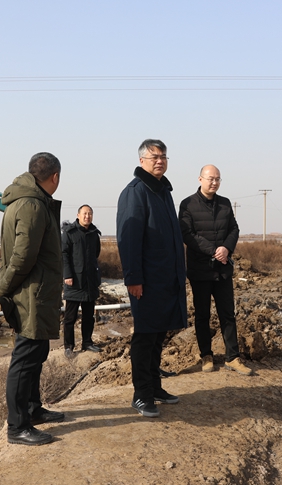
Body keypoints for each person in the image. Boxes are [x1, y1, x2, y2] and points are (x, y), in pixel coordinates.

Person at [0, 152, 66, 446]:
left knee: (37, 353)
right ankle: (18, 426)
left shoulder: (26, 201)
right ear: (55, 177)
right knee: (25, 359)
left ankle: (33, 410)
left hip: (36, 291)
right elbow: (23, 256)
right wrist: (4, 287)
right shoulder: (33, 205)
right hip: (31, 294)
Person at [116, 139, 187, 418]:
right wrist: (133, 278)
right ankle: (141, 395)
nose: (160, 161)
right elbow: (128, 239)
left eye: (163, 156)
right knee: (145, 337)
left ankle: (155, 387)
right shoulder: (135, 192)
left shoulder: (163, 191)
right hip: (146, 280)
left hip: (166, 277)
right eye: (154, 156)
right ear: (142, 161)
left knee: (159, 334)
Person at [178, 165, 252, 376]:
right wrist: (213, 250)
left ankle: (233, 357)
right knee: (202, 314)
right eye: (210, 178)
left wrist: (226, 248)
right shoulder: (187, 204)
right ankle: (206, 356)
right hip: (200, 269)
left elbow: (234, 229)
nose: (214, 182)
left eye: (218, 179)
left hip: (222, 269)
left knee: (227, 313)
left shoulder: (225, 203)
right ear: (200, 179)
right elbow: (187, 234)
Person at [61, 204, 102, 357]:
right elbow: (63, 255)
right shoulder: (69, 232)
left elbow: (96, 254)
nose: (87, 216)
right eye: (84, 213)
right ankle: (69, 346)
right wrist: (67, 275)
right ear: (78, 215)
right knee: (70, 317)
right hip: (74, 281)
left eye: (90, 214)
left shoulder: (94, 233)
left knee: (88, 316)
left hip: (90, 281)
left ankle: (87, 342)